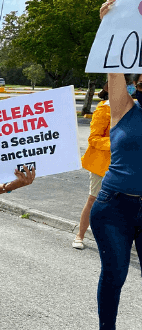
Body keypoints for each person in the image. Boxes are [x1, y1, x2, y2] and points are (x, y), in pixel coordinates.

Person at [88, 0, 142, 330]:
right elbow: (114, 65)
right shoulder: (124, 106)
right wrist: (112, 24)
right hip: (114, 208)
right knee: (116, 274)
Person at [74, 83, 111, 249]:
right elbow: (93, 139)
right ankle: (79, 236)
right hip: (102, 165)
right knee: (93, 199)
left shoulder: (133, 108)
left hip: (126, 165)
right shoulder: (104, 109)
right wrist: (118, 142)